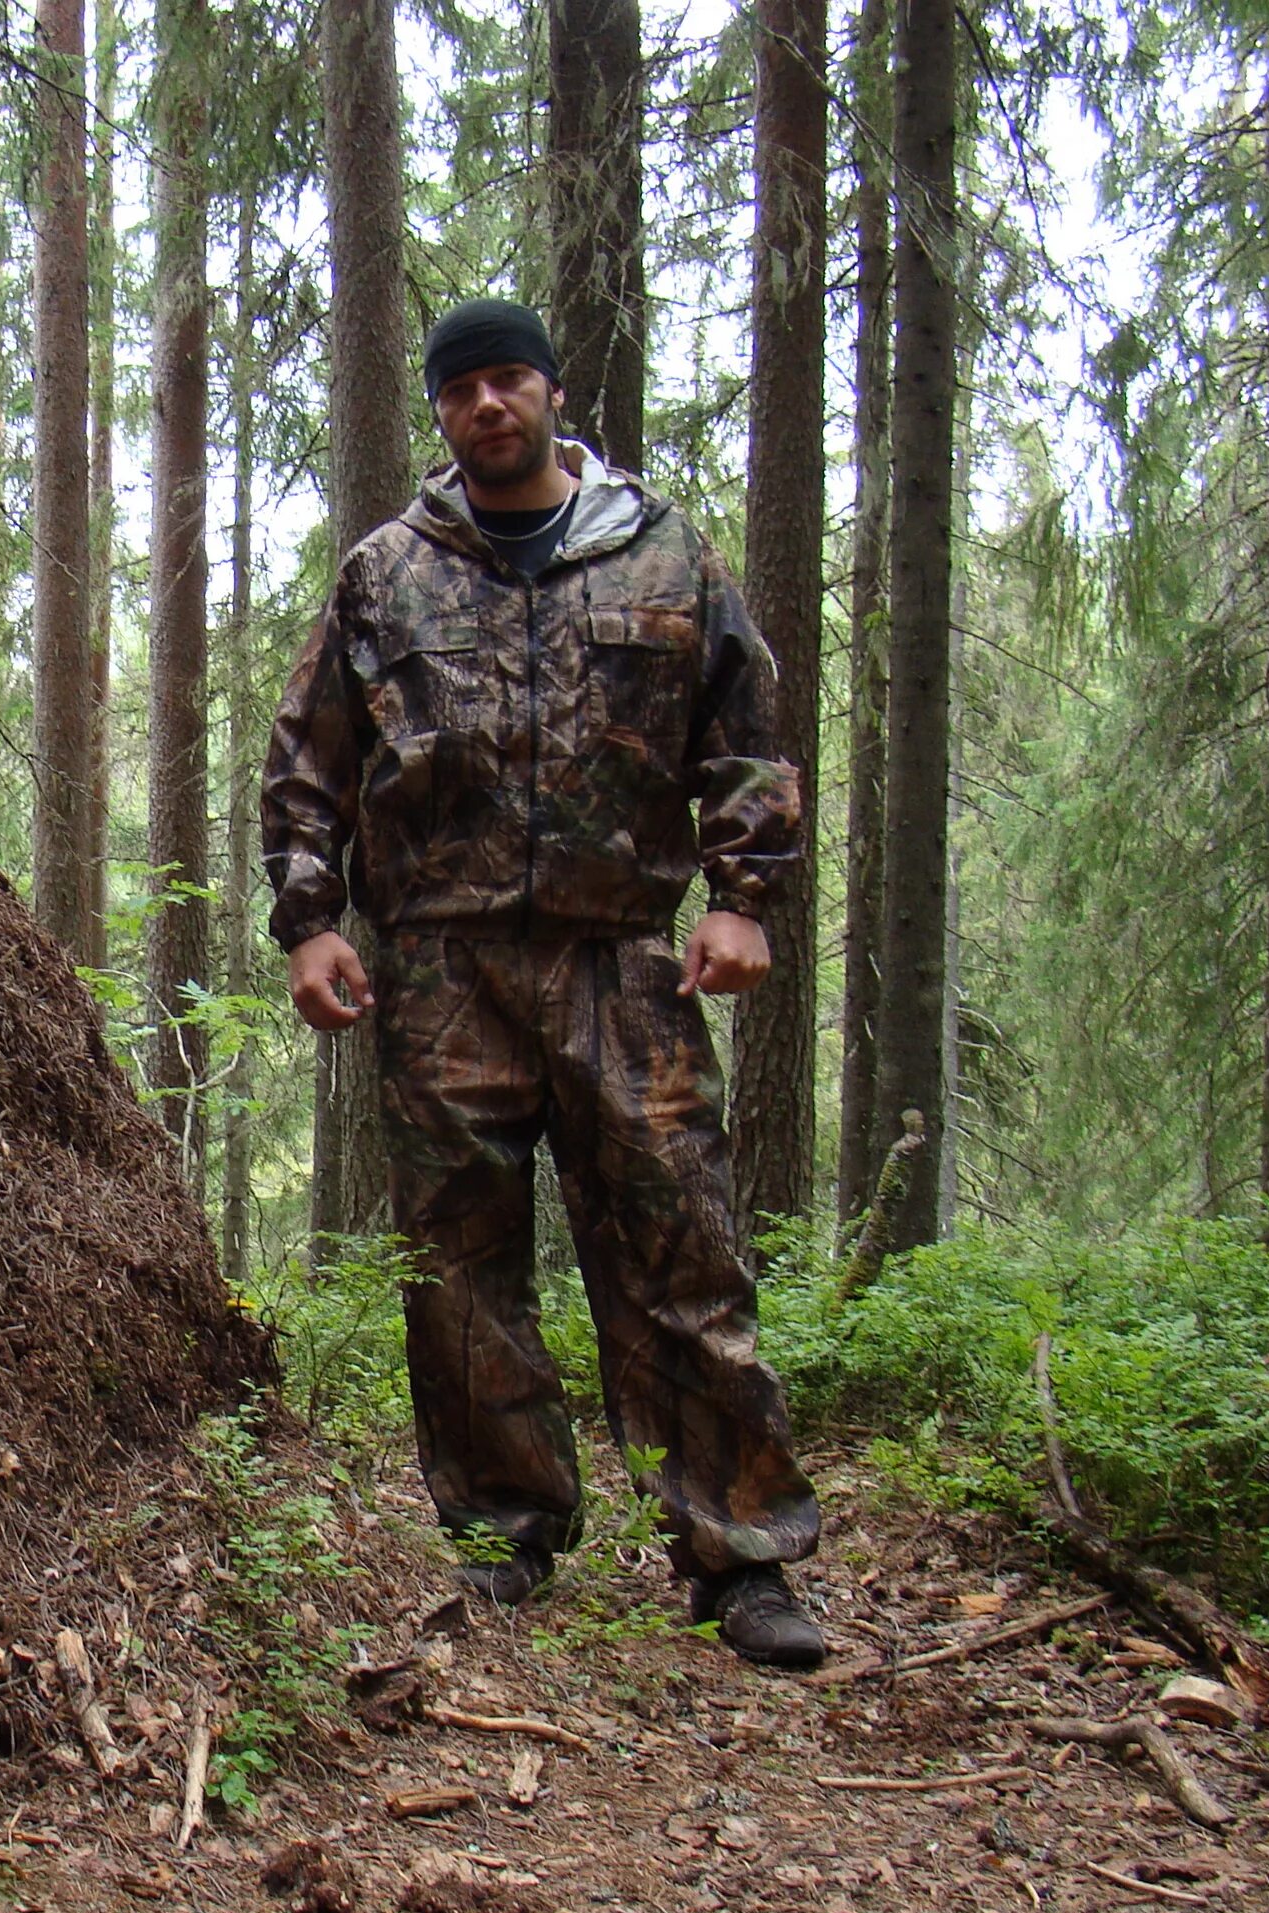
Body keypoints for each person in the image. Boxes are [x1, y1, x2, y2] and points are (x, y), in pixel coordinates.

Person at [260, 298, 825, 1669]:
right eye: (461, 392)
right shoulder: (387, 575)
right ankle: (503, 1533)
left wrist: (746, 899)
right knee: (458, 1271)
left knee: (682, 1251)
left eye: (509, 381)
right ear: (443, 417)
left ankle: (742, 1556)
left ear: (555, 394)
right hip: (444, 970)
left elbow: (745, 734)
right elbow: (308, 759)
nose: (487, 408)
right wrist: (310, 921)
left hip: (624, 959)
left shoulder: (665, 556)